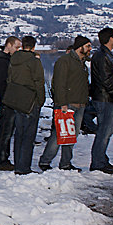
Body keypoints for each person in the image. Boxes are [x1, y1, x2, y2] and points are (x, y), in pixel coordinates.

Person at [38, 35, 92, 172]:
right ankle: (45, 161)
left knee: (72, 136)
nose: (90, 49)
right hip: (67, 105)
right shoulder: (65, 61)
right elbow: (59, 84)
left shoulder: (82, 63)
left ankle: (66, 163)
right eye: (88, 46)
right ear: (80, 47)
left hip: (80, 104)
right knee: (58, 135)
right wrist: (62, 103)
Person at [3, 35, 45, 175]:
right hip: (30, 100)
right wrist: (41, 100)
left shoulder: (13, 59)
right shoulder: (34, 61)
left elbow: (9, 78)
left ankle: (18, 164)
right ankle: (24, 167)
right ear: (33, 47)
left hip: (17, 100)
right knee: (29, 135)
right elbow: (39, 82)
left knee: (19, 134)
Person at [89, 27, 113, 174]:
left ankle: (101, 159)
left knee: (105, 131)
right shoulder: (102, 56)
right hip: (104, 98)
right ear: (110, 39)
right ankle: (97, 163)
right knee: (104, 131)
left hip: (105, 97)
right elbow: (105, 80)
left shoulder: (104, 55)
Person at [0, 36, 22, 170]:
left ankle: (1, 157)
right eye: (16, 47)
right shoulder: (2, 61)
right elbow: (1, 83)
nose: (18, 50)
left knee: (4, 132)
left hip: (5, 100)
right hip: (5, 101)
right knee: (4, 132)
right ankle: (0, 159)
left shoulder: (3, 59)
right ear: (9, 45)